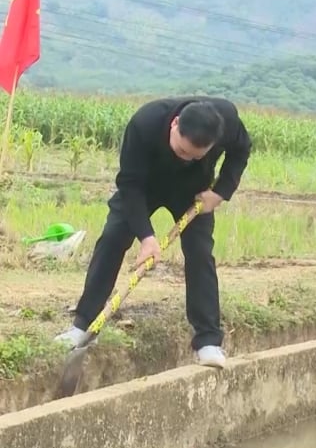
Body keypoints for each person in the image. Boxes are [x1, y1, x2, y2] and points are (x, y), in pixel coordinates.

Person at [55, 98, 252, 368]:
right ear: (174, 124)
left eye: (196, 156)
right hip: (144, 188)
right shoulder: (144, 123)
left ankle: (208, 341)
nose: (187, 160)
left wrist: (219, 193)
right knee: (113, 238)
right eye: (182, 151)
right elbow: (129, 183)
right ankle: (83, 326)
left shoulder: (226, 119)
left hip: (193, 193)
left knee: (200, 253)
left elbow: (241, 151)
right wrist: (147, 237)